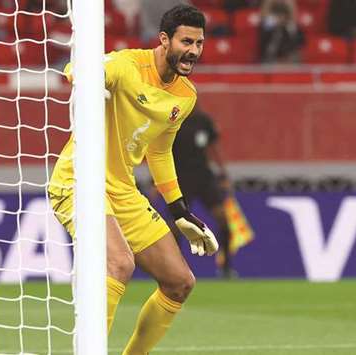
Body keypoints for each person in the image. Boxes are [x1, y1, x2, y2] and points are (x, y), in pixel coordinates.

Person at [47, 5, 218, 355]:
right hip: (77, 179)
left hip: (122, 190)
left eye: (199, 43)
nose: (194, 51)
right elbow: (75, 69)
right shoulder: (127, 66)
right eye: (187, 41)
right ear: (164, 40)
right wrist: (89, 83)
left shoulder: (185, 95)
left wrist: (179, 210)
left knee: (180, 282)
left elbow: (158, 151)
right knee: (118, 263)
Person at [171, 104, 236, 278]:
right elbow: (162, 152)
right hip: (181, 178)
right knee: (178, 226)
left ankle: (226, 266)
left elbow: (214, 149)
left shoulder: (204, 121)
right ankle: (175, 268)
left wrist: (223, 174)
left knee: (223, 218)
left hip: (204, 177)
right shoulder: (174, 120)